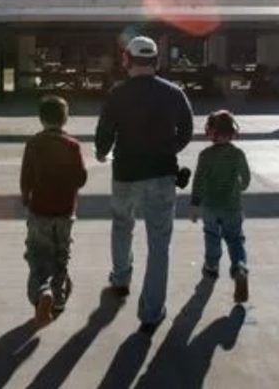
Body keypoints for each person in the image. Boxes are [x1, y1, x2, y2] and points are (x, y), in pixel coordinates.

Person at [95, 35, 194, 334]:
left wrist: (102, 151)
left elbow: (105, 131)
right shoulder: (174, 93)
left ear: (127, 60)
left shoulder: (117, 93)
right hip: (162, 175)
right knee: (159, 244)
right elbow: (187, 129)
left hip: (125, 173)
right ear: (156, 61)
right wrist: (169, 150)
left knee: (122, 225)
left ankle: (121, 278)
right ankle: (151, 313)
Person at [20, 95, 87, 326]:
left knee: (38, 255)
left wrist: (25, 198)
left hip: (39, 209)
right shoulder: (72, 145)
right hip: (65, 210)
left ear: (41, 119)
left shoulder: (33, 144)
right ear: (65, 119)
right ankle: (57, 300)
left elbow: (25, 178)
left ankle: (41, 293)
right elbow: (81, 178)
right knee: (61, 255)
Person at [190, 109, 251, 304]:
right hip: (232, 206)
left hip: (210, 206)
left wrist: (194, 204)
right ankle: (239, 267)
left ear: (210, 132)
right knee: (235, 239)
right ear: (233, 132)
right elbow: (246, 178)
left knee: (211, 235)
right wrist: (240, 187)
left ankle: (212, 266)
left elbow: (198, 180)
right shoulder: (238, 154)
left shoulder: (205, 155)